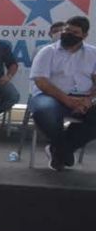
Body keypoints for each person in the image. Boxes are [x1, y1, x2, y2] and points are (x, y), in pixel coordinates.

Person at [29, 16, 96, 171]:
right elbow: (41, 82)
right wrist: (68, 101)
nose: (68, 34)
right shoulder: (47, 52)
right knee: (44, 112)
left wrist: (89, 100)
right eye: (66, 30)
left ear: (84, 36)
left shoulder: (93, 54)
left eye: (75, 32)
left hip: (83, 98)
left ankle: (59, 149)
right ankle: (63, 149)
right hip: (49, 96)